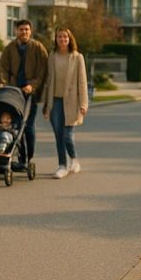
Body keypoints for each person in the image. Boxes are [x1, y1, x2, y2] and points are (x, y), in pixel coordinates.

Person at [0, 19, 48, 167]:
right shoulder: (10, 48)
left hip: (30, 94)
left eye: (26, 29)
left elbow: (42, 71)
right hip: (13, 93)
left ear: (30, 31)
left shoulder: (38, 48)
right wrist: (2, 82)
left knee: (28, 126)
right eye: (21, 29)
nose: (24, 32)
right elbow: (3, 67)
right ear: (16, 31)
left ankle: (29, 156)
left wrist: (32, 86)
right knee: (15, 126)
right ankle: (17, 155)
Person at [41, 27, 88, 179]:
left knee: (67, 135)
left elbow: (82, 82)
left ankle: (74, 159)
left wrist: (83, 104)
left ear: (69, 39)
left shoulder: (77, 57)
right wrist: (46, 105)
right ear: (56, 39)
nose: (62, 39)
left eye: (65, 37)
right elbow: (48, 82)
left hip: (72, 101)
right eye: (59, 37)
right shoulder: (52, 57)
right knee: (58, 135)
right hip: (55, 101)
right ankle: (62, 165)